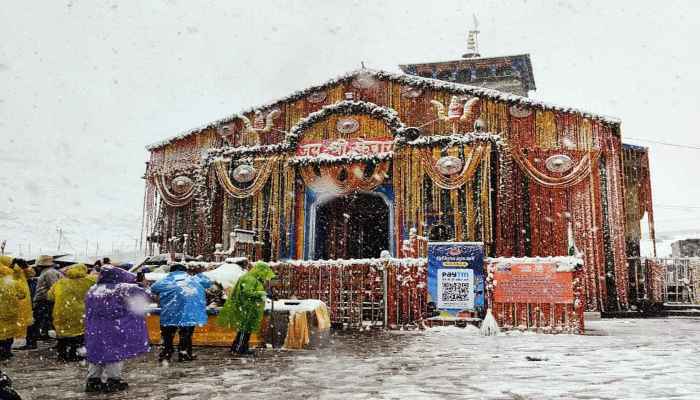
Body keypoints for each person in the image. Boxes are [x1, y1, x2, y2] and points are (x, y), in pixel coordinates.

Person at [84, 266, 150, 393]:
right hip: (114, 328)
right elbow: (145, 297)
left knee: (96, 354)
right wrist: (141, 285)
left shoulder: (93, 290)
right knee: (114, 354)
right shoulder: (122, 289)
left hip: (95, 328)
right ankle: (113, 381)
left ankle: (93, 381)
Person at [150, 263, 212, 363]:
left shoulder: (166, 280)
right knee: (186, 335)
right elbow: (208, 283)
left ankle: (167, 353)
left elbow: (153, 288)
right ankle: (184, 354)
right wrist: (200, 273)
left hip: (170, 312)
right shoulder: (194, 279)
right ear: (185, 271)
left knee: (168, 335)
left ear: (171, 271)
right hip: (189, 312)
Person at [217, 261, 275, 355]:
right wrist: (262, 294)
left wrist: (265, 295)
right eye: (264, 273)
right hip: (246, 308)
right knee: (244, 330)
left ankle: (241, 348)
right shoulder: (250, 279)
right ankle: (239, 349)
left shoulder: (253, 279)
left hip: (248, 308)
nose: (265, 277)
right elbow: (247, 292)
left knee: (245, 330)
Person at [47, 264, 96, 362]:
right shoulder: (90, 281)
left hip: (61, 311)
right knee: (78, 334)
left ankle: (62, 355)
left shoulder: (60, 282)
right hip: (80, 312)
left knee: (62, 334)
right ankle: (75, 354)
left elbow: (50, 297)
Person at [3, 257, 35, 350]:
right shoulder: (6, 271)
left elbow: (32, 274)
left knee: (25, 320)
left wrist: (26, 267)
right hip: (14, 297)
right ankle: (13, 343)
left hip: (21, 297)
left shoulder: (18, 269)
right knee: (16, 321)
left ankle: (16, 342)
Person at [32, 255, 62, 339]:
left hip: (44, 300)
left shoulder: (49, 273)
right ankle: (44, 334)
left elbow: (54, 286)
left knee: (38, 318)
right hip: (45, 299)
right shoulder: (50, 272)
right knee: (44, 318)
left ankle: (34, 338)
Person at [0, 262, 25, 361]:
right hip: (11, 312)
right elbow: (22, 295)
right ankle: (7, 351)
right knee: (9, 332)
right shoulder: (13, 283)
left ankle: (1, 351)